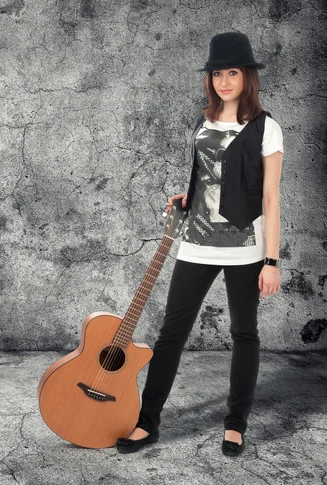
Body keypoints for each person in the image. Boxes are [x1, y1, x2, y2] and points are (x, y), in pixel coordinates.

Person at [116, 32, 284, 457]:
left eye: (232, 72)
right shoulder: (203, 120)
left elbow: (269, 197)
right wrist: (188, 197)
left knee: (244, 332)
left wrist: (271, 260)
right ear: (209, 79)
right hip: (196, 241)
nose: (224, 81)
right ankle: (147, 422)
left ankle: (235, 425)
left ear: (247, 76)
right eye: (216, 73)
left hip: (246, 245)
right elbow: (210, 176)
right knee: (171, 333)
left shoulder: (266, 127)